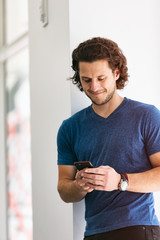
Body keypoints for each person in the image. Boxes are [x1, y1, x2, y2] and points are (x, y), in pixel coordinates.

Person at [57, 37, 160, 240]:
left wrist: (121, 181)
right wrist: (78, 186)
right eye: (86, 80)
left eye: (101, 78)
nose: (94, 87)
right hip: (94, 233)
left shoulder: (147, 116)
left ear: (116, 73)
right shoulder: (70, 128)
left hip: (139, 228)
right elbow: (63, 188)